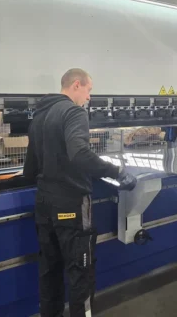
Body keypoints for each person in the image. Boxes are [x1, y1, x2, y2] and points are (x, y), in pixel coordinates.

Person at [23, 68, 137, 317]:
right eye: (88, 90)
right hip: (71, 205)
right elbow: (80, 153)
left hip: (44, 204)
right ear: (76, 85)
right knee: (80, 273)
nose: (88, 98)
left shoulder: (39, 116)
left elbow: (29, 169)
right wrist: (117, 172)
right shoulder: (73, 112)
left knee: (49, 270)